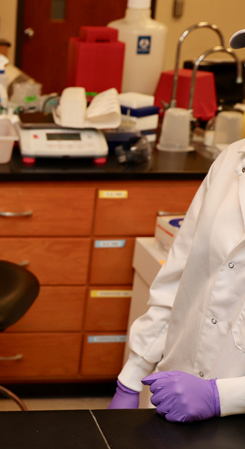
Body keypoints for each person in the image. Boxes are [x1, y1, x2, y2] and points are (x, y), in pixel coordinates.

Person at [109, 28, 245, 423]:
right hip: (175, 397)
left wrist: (225, 397)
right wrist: (132, 377)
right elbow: (178, 275)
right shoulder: (231, 161)